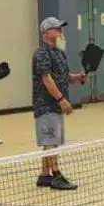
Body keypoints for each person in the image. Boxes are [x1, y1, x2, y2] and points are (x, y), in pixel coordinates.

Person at [32, 16, 86, 191]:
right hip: (45, 103)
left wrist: (76, 78)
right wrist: (61, 99)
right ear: (47, 32)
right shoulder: (41, 54)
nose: (60, 31)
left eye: (60, 28)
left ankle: (44, 175)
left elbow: (63, 76)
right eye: (56, 28)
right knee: (50, 139)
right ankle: (56, 176)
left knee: (51, 140)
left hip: (55, 104)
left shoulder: (59, 52)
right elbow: (47, 79)